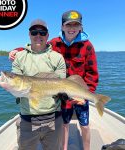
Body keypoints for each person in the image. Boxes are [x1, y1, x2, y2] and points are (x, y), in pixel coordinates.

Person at [9, 10, 99, 150]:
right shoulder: (54, 42)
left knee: (85, 125)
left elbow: (92, 73)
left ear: (81, 27)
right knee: (65, 123)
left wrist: (88, 93)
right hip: (60, 90)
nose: (72, 28)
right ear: (62, 27)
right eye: (68, 25)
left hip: (79, 89)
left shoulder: (87, 46)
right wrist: (16, 50)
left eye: (76, 25)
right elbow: (38, 46)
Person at [11, 19, 66, 150]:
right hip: (27, 120)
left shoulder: (57, 58)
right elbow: (16, 86)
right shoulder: (19, 57)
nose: (38, 35)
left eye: (42, 32)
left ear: (47, 35)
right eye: (34, 32)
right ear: (29, 34)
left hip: (54, 118)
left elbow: (60, 83)